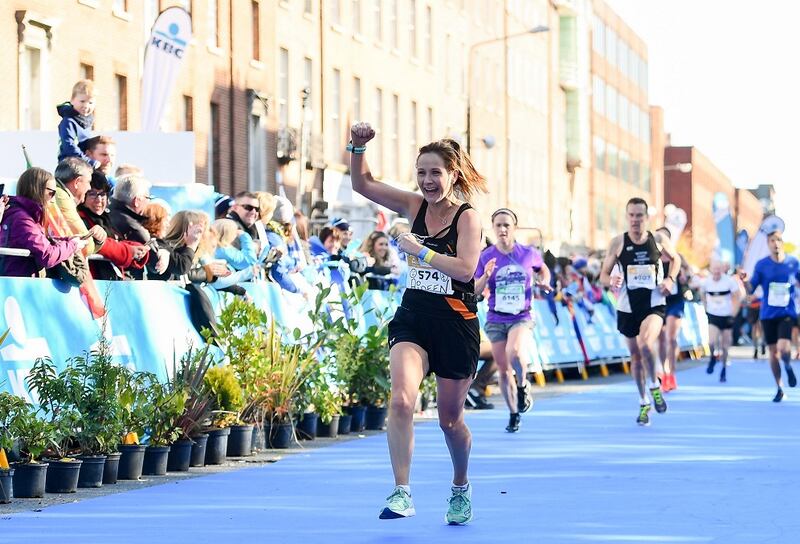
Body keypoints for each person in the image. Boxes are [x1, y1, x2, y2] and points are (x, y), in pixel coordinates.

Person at [349, 121, 486, 525]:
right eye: (421, 172)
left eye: (435, 173)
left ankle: (460, 484)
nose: (427, 181)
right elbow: (364, 185)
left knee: (449, 420)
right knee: (401, 400)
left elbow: (465, 270)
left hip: (456, 324)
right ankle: (401, 492)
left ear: (453, 175)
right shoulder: (414, 207)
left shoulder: (468, 218)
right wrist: (357, 147)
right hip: (414, 319)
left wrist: (419, 252)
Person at [600, 197, 680, 426]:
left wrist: (670, 279)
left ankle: (655, 385)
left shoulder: (659, 239)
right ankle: (644, 400)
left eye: (640, 216)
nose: (635, 220)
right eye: (631, 215)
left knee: (646, 343)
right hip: (627, 306)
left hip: (654, 303)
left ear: (647, 217)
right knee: (635, 358)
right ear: (627, 217)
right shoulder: (617, 243)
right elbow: (603, 275)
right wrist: (611, 281)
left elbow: (676, 260)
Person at [474, 208, 551, 432]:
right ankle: (513, 413)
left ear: (514, 227)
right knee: (504, 368)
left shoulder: (527, 253)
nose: (502, 229)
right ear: (493, 228)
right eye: (498, 225)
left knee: (514, 351)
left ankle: (523, 385)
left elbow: (542, 269)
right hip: (496, 317)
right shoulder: (486, 256)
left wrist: (544, 281)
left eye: (507, 225)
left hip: (522, 315)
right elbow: (477, 290)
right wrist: (486, 276)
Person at [0, 167, 86, 277]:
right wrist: (72, 245)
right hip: (17, 285)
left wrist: (68, 240)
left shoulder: (26, 215)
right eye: (51, 193)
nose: (53, 198)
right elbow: (47, 255)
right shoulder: (22, 219)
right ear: (36, 190)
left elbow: (41, 242)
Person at [747, 230, 799, 402]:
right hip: (768, 314)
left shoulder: (793, 262)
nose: (775, 243)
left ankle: (788, 365)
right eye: (772, 241)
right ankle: (779, 387)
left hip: (786, 312)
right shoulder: (761, 265)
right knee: (773, 352)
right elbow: (751, 289)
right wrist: (744, 280)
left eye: (778, 240)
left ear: (783, 242)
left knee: (784, 349)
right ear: (768, 244)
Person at [78, 173, 149, 280]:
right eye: (92, 194)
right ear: (83, 196)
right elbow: (99, 244)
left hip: (108, 282)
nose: (98, 200)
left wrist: (137, 248)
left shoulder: (106, 218)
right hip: (90, 283)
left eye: (102, 194)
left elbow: (115, 241)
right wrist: (129, 251)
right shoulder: (80, 218)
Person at [655, 226, 689, 392]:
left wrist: (683, 277)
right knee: (660, 339)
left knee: (671, 338)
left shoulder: (678, 257)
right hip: (659, 301)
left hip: (675, 301)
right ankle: (662, 370)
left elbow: (688, 275)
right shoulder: (652, 257)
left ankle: (671, 373)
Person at [702, 261, 742, 382]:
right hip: (713, 315)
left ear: (722, 270)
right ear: (711, 269)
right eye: (714, 269)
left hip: (726, 316)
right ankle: (713, 358)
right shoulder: (706, 282)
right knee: (711, 342)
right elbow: (702, 293)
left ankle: (723, 368)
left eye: (719, 269)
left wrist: (733, 313)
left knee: (725, 346)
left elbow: (737, 296)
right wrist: (705, 307)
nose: (717, 272)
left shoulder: (729, 281)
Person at [56, 80, 99, 167]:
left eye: (90, 102)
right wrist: (87, 161)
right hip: (69, 166)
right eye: (82, 101)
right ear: (72, 100)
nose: (86, 106)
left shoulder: (86, 121)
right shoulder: (68, 122)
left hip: (82, 164)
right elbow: (69, 146)